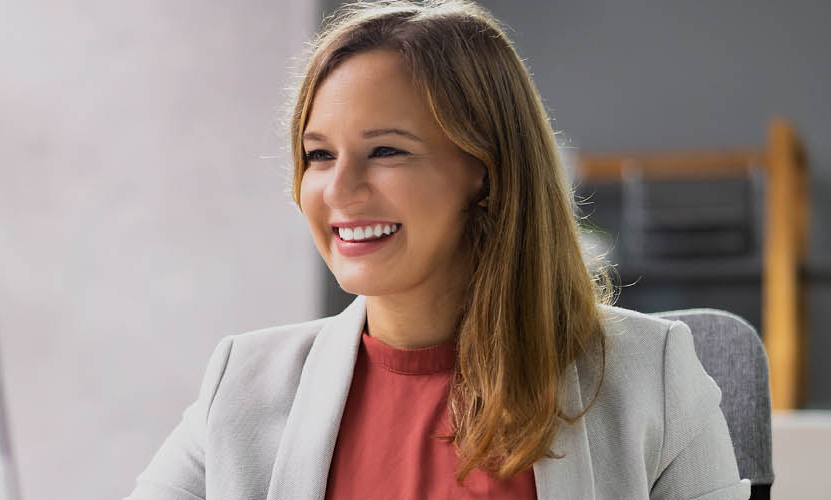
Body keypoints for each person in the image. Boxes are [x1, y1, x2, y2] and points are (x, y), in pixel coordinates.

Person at [127, 1, 749, 498]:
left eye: (386, 151)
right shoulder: (242, 382)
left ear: (484, 170)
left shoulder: (652, 376)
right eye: (318, 155)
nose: (338, 190)